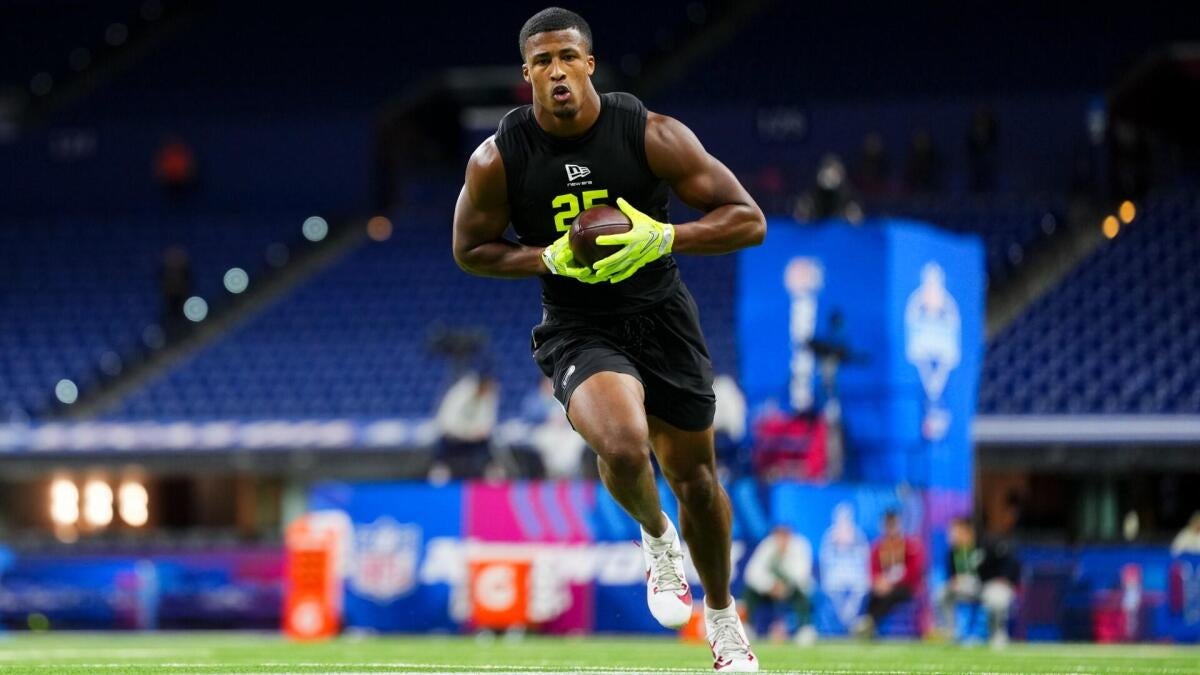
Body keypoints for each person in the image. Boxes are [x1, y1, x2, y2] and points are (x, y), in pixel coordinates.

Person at [451, 8, 765, 671]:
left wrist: (665, 235)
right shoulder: (499, 157)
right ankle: (656, 538)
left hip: (662, 317)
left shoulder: (650, 133)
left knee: (697, 482)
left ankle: (721, 615)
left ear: (589, 63)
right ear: (527, 74)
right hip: (579, 324)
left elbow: (748, 219)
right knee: (622, 444)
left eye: (568, 56)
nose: (557, 71)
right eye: (542, 61)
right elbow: (469, 249)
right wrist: (547, 257)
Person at [938, 516, 1020, 647]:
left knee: (997, 599)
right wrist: (954, 582)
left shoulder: (989, 543)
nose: (952, 535)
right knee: (942, 594)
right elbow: (952, 576)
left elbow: (1011, 563)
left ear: (967, 531)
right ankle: (952, 632)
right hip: (972, 588)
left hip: (993, 585)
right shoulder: (954, 552)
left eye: (955, 531)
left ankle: (997, 635)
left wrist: (1004, 578)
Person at [854, 509, 925, 638]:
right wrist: (878, 582)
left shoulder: (910, 545)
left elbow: (914, 571)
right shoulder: (878, 547)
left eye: (892, 524)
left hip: (905, 587)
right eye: (887, 525)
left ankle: (870, 623)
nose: (890, 528)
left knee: (889, 595)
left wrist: (892, 582)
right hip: (883, 586)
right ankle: (867, 623)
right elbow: (873, 570)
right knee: (872, 594)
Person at [742, 523, 817, 646]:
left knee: (805, 591)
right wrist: (771, 585)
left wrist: (785, 585)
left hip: (792, 590)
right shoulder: (767, 545)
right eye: (778, 536)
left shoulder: (800, 545)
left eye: (785, 536)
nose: (781, 540)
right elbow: (752, 573)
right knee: (750, 591)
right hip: (770, 590)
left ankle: (804, 628)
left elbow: (802, 575)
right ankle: (747, 627)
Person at [431, 372, 499, 479]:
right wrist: (465, 432)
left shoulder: (489, 397)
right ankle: (440, 472)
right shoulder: (460, 393)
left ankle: (491, 474)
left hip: (474, 438)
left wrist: (476, 432)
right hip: (455, 436)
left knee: (487, 447)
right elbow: (447, 421)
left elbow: (488, 423)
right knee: (443, 447)